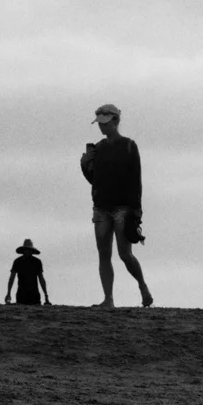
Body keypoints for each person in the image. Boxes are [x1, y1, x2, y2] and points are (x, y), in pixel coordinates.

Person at [82, 103, 153, 308]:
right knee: (104, 254)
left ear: (116, 121)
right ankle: (108, 299)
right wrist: (85, 166)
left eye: (105, 123)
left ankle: (142, 286)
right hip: (101, 206)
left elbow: (135, 178)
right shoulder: (99, 148)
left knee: (124, 254)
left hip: (123, 206)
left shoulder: (129, 145)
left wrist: (136, 210)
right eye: (100, 124)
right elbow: (95, 180)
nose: (102, 127)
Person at [6, 239, 51, 307]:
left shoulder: (37, 262)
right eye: (26, 250)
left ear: (32, 251)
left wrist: (46, 295)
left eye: (29, 250)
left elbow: (41, 279)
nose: (27, 251)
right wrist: (8, 293)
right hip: (21, 294)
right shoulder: (17, 261)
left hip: (34, 294)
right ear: (23, 250)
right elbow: (11, 279)